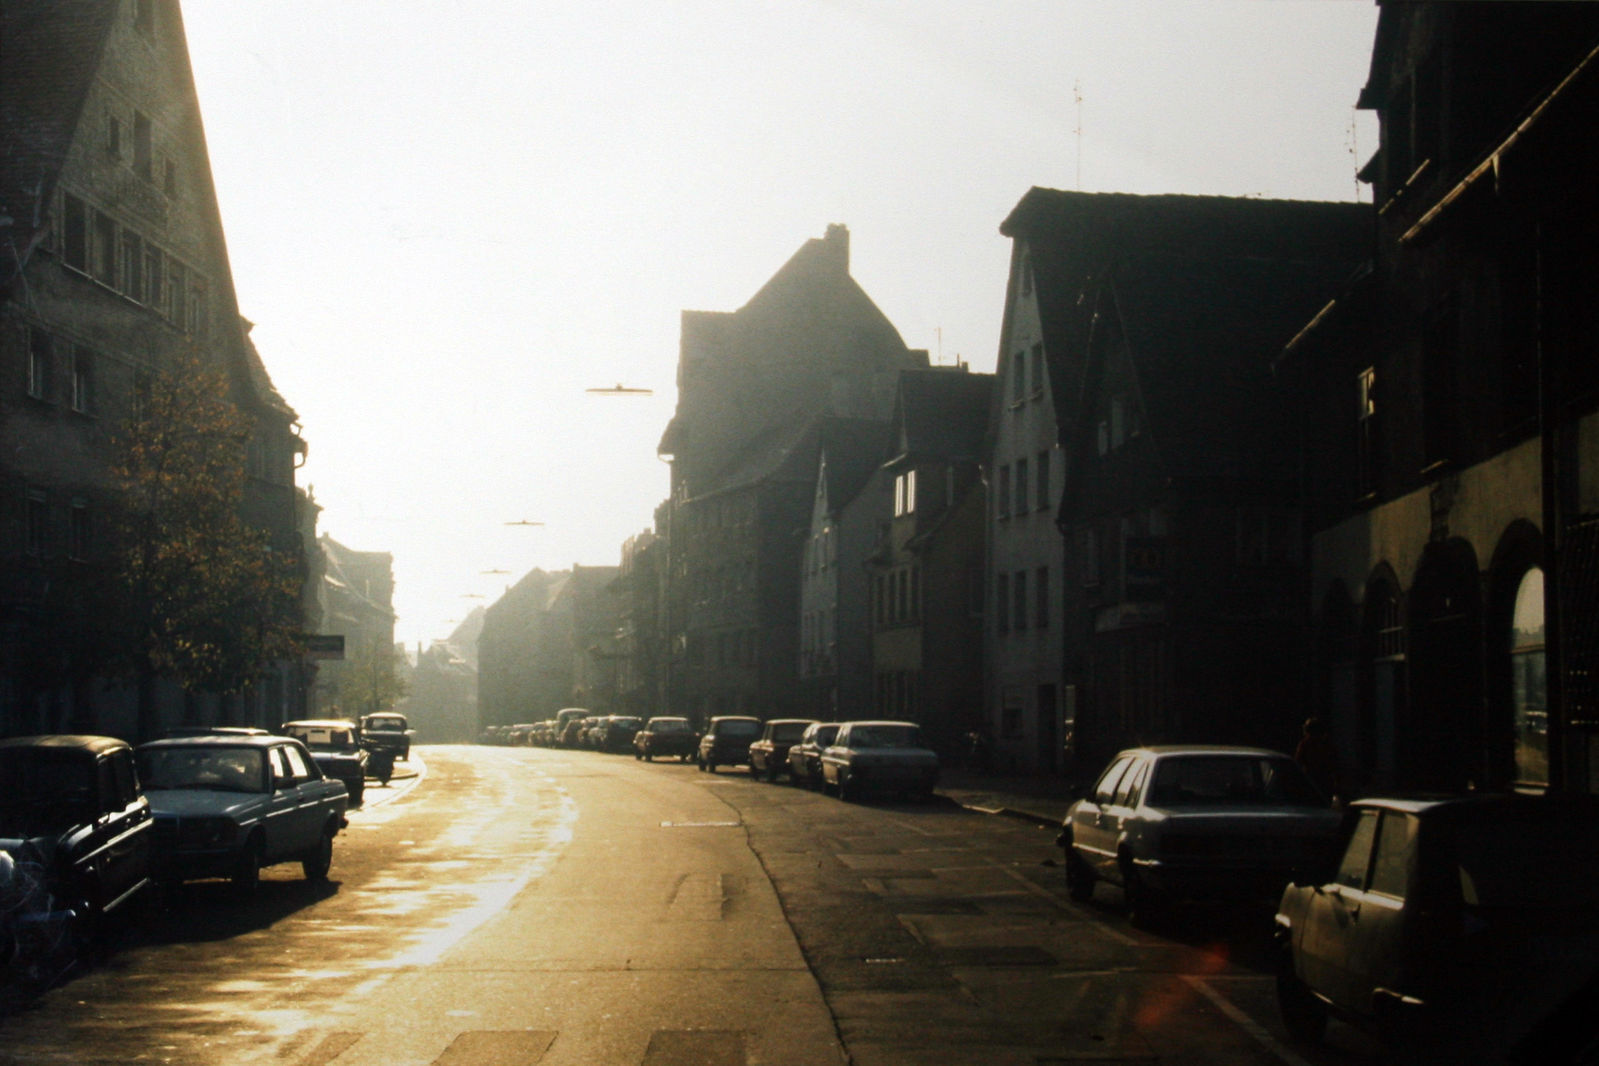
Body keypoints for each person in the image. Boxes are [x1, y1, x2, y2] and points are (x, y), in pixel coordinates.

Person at [1294, 716, 1340, 805]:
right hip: (1321, 781)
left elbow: (1298, 762)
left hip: (1313, 781)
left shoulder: (1306, 744)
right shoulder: (1327, 744)